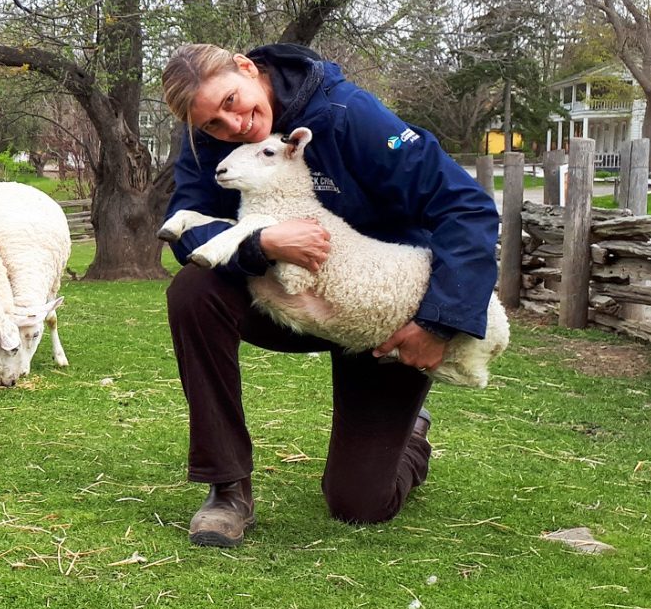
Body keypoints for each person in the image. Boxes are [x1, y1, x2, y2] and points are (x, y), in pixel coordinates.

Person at [159, 43, 498, 547]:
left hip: (380, 311)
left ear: (248, 69)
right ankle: (227, 488)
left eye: (232, 101)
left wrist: (436, 323)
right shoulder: (206, 140)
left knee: (359, 504)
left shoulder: (348, 115)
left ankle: (411, 437)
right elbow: (189, 227)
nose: (233, 126)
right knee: (194, 290)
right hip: (290, 297)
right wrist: (260, 243)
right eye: (213, 123)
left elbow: (467, 208)